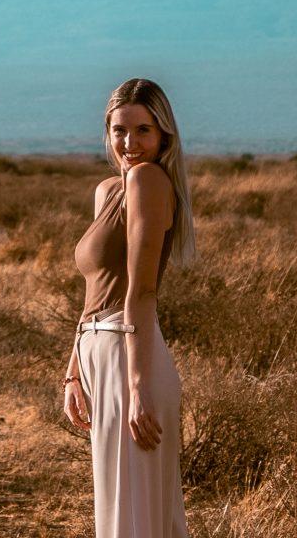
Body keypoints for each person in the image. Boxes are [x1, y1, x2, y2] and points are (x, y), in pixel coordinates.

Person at [63, 77, 198, 538]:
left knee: (137, 518)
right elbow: (94, 293)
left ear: (164, 136)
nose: (130, 143)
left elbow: (141, 293)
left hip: (129, 355)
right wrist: (74, 372)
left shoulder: (147, 180)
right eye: (120, 130)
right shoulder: (107, 191)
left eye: (143, 130)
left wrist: (138, 386)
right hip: (98, 356)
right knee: (122, 511)